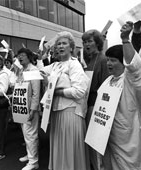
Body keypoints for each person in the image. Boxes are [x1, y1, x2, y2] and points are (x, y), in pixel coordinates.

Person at [99, 21, 141, 170]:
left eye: (113, 60)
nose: (109, 63)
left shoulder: (131, 80)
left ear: (123, 62)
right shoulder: (108, 80)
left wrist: (125, 39)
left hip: (128, 139)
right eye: (108, 59)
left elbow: (135, 67)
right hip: (109, 135)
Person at [40, 31, 90, 170]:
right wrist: (41, 56)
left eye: (64, 43)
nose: (61, 46)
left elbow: (79, 91)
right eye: (58, 44)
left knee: (69, 148)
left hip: (70, 113)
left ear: (71, 47)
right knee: (59, 146)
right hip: (56, 112)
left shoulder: (74, 65)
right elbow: (39, 71)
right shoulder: (55, 65)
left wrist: (56, 91)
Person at [81, 29, 109, 170]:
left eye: (90, 41)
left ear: (97, 42)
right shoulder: (89, 60)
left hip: (95, 107)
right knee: (90, 143)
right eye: (84, 41)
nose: (86, 44)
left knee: (95, 144)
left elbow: (105, 88)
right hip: (86, 105)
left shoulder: (103, 60)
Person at [16, 48, 41, 170]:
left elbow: (36, 92)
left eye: (22, 55)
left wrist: (33, 109)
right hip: (21, 107)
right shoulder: (21, 70)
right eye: (18, 56)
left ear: (29, 56)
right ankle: (30, 155)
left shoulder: (33, 70)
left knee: (31, 134)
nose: (20, 58)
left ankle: (33, 162)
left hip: (30, 108)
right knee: (26, 133)